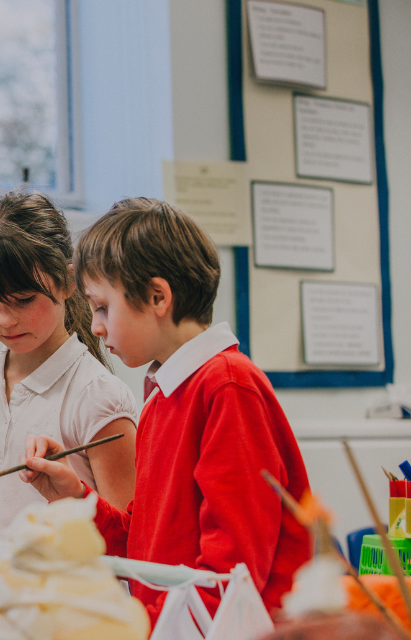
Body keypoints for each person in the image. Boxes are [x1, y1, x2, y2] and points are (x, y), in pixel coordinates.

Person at [19, 198, 312, 625]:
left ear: (158, 296)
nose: (96, 326)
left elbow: (232, 572)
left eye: (102, 307)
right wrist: (76, 498)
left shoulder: (227, 385)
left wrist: (142, 630)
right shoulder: (162, 394)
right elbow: (145, 542)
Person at [0, 190, 138, 568]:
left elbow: (130, 540)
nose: (4, 320)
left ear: (68, 282)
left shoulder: (99, 397)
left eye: (22, 299)